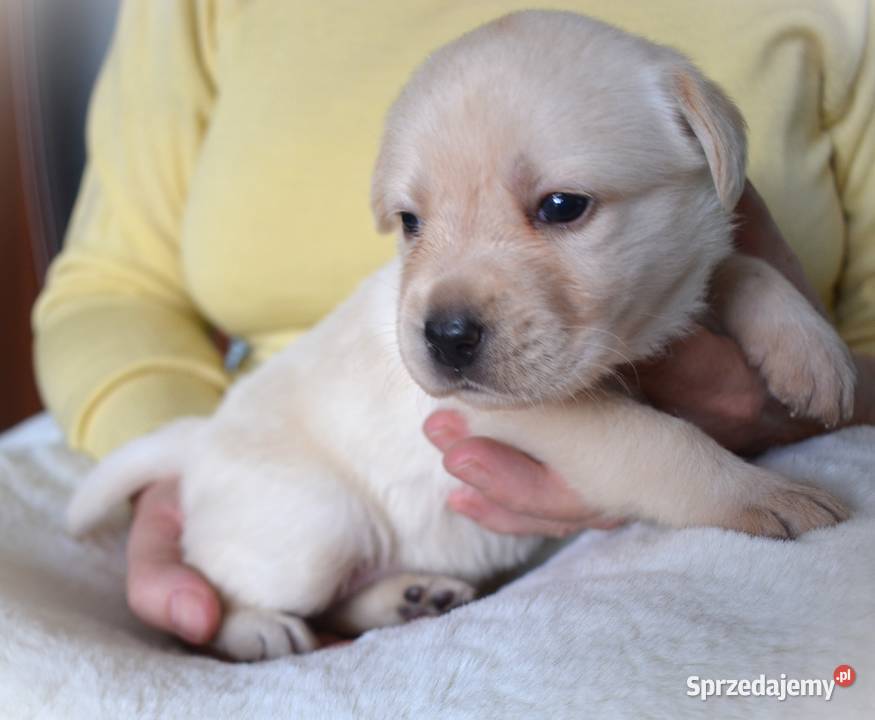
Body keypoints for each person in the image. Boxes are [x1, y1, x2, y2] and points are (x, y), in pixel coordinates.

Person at [33, 0, 875, 647]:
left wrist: (767, 305)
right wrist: (715, 487)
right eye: (413, 221)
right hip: (305, 460)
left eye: (558, 207)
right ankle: (272, 600)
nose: (447, 311)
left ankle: (368, 600)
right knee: (300, 557)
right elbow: (113, 283)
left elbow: (708, 260)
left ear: (707, 149)